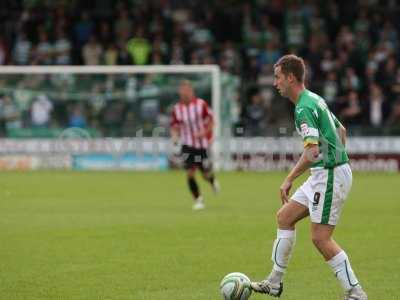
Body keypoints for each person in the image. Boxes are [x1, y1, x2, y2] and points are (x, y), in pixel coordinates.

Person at [250, 55, 368, 300]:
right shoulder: (315, 98)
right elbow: (341, 131)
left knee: (320, 238)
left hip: (330, 174)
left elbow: (312, 151)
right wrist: (336, 157)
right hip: (326, 172)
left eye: (278, 77)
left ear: (290, 77)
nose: (275, 83)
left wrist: (290, 177)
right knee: (285, 217)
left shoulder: (304, 107)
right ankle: (274, 283)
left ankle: (356, 293)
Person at [170, 80, 220, 210]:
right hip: (187, 145)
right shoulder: (177, 109)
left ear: (191, 91)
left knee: (205, 173)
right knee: (190, 173)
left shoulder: (200, 105)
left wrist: (203, 132)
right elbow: (174, 126)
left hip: (201, 146)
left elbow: (211, 122)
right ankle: (198, 199)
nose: (185, 93)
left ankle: (212, 181)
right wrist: (175, 137)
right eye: (182, 91)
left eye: (187, 90)